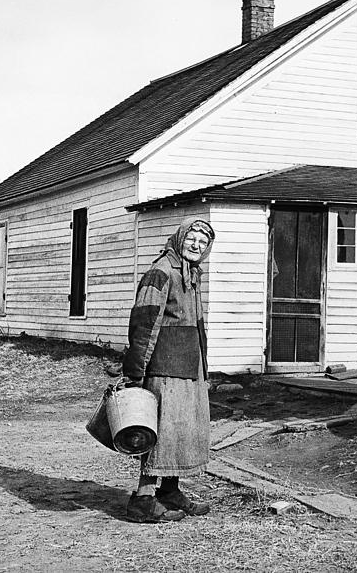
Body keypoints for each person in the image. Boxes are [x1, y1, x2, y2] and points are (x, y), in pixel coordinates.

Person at [122, 217, 215, 523]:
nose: (196, 246)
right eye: (192, 239)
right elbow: (144, 323)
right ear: (179, 238)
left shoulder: (191, 274)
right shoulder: (161, 272)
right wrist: (136, 371)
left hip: (189, 367)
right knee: (160, 432)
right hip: (164, 368)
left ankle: (170, 491)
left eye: (202, 242)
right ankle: (144, 499)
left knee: (182, 431)